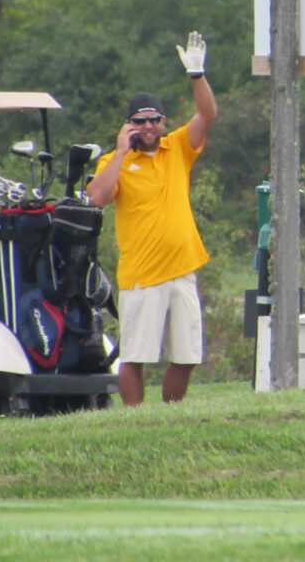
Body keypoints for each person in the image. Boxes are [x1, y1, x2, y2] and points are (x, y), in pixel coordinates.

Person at [86, 31, 217, 406]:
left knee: (187, 355)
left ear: (162, 122)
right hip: (142, 276)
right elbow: (97, 197)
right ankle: (135, 417)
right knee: (137, 356)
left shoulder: (176, 147)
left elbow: (207, 115)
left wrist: (197, 75)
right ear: (128, 125)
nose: (148, 127)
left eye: (154, 120)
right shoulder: (116, 161)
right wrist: (120, 152)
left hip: (182, 269)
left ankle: (170, 413)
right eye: (139, 122)